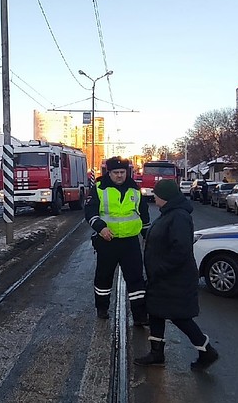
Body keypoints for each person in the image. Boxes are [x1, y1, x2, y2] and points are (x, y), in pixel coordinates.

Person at [135, 179, 219, 370]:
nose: (154, 196)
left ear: (164, 196)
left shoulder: (179, 216)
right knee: (155, 312)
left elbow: (180, 250)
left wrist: (160, 269)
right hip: (162, 277)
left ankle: (207, 351)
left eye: (156, 193)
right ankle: (156, 353)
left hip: (174, 277)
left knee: (179, 316)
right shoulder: (169, 213)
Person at [85, 156, 149, 326]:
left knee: (136, 279)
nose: (120, 176)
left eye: (123, 172)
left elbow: (144, 214)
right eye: (116, 173)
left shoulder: (135, 189)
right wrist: (101, 228)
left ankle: (140, 315)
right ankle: (102, 308)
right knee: (104, 277)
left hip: (130, 243)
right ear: (109, 173)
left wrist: (147, 235)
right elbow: (90, 211)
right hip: (108, 241)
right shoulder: (99, 188)